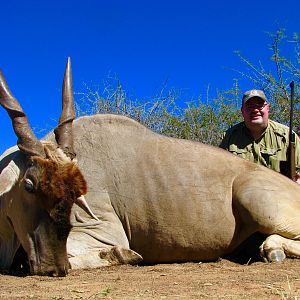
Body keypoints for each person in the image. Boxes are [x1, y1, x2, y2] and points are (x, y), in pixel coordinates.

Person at [220, 89, 300, 183]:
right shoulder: (229, 136)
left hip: (279, 193)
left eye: (259, 106)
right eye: (249, 107)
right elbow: (221, 173)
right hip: (241, 193)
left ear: (268, 108)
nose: (255, 110)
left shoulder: (287, 135)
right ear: (242, 111)